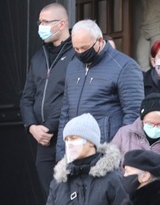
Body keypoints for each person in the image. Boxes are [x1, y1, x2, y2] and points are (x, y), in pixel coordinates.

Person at [20, 3, 75, 205]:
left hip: (66, 140)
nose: (40, 26)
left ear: (62, 23)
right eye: (39, 20)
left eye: (46, 21)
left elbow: (72, 98)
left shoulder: (76, 54)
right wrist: (32, 127)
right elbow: (27, 96)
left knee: (63, 201)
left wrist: (50, 127)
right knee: (48, 203)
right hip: (41, 142)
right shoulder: (38, 57)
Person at [55, 20, 144, 162]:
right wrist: (61, 153)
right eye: (76, 49)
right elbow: (66, 111)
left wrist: (119, 152)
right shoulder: (72, 67)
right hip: (74, 151)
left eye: (84, 48)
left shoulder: (125, 66)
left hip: (106, 150)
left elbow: (133, 114)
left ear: (100, 41)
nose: (80, 53)